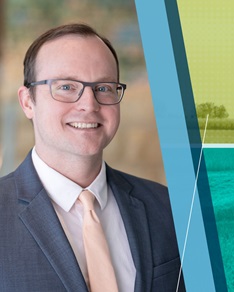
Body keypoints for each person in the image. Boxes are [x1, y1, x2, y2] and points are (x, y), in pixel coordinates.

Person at [0, 23, 185, 291]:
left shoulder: (168, 208)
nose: (89, 104)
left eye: (104, 88)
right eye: (66, 87)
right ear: (28, 101)